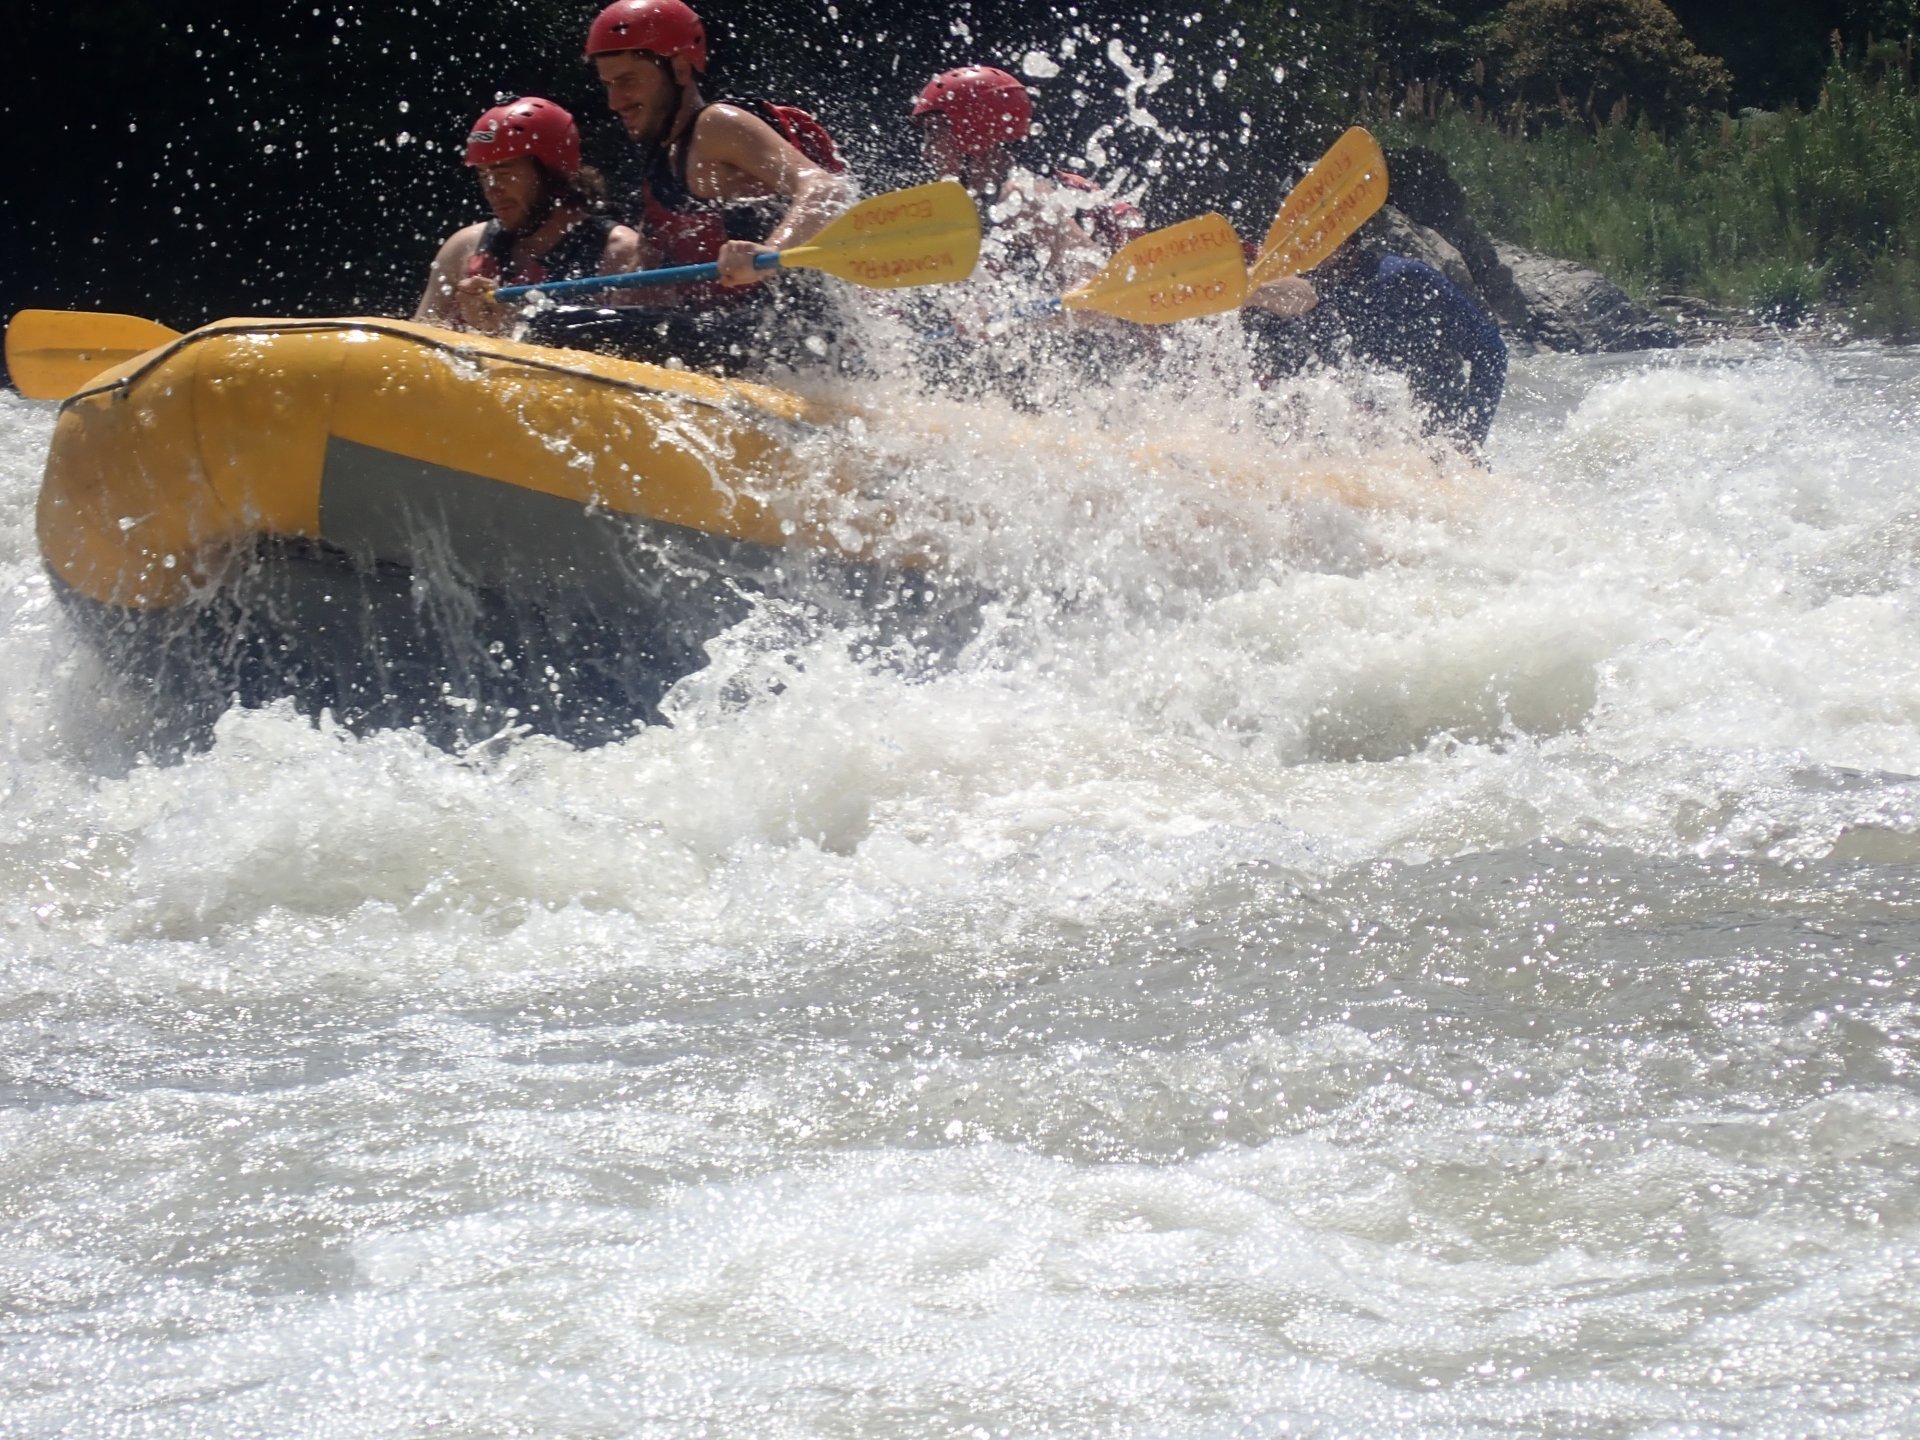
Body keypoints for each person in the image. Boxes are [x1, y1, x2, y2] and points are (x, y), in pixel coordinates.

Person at [1245, 237, 1508, 450]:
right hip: (1362, 451)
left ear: (1345, 236)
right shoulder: (1295, 299)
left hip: (1436, 444)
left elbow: (1490, 350)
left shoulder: (1405, 277)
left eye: (1318, 235)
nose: (1304, 245)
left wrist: (1470, 437)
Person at [415, 97, 644, 335]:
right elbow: (416, 349)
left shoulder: (621, 254)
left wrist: (509, 328)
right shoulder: (464, 248)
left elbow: (637, 356)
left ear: (552, 173)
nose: (492, 188)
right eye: (484, 174)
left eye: (504, 172)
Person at [910, 64, 1144, 292]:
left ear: (973, 133)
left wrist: (997, 329)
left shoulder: (1024, 197)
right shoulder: (973, 206)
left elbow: (1094, 298)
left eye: (935, 133)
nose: (926, 152)